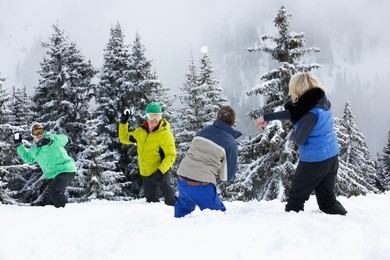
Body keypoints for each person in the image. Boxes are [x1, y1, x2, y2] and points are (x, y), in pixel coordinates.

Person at [256, 72, 347, 215]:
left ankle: (292, 232)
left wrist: (292, 133)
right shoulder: (320, 101)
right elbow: (294, 113)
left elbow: (299, 139)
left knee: (295, 200)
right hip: (331, 158)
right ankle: (345, 223)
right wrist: (266, 117)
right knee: (327, 201)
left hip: (315, 161)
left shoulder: (311, 113)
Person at [174, 105, 242, 218]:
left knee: (182, 216)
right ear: (233, 122)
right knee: (219, 217)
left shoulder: (202, 132)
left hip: (182, 180)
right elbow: (226, 177)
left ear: (217, 118)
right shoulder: (230, 143)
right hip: (201, 186)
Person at [118, 102, 177, 206]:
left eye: (157, 116)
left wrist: (160, 171)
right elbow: (124, 138)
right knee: (151, 201)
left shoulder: (165, 134)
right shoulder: (140, 132)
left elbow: (171, 155)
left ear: (161, 116)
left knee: (169, 198)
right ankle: (156, 220)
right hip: (147, 172)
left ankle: (180, 216)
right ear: (146, 116)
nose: (154, 119)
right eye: (151, 116)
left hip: (161, 170)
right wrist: (123, 123)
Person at [14, 122, 76, 208]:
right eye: (36, 132)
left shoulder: (51, 138)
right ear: (32, 135)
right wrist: (19, 145)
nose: (39, 134)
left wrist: (51, 140)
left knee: (55, 193)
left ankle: (70, 213)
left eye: (40, 131)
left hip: (65, 169)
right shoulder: (35, 149)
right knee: (50, 200)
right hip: (54, 174)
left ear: (44, 131)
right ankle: (57, 217)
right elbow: (28, 158)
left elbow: (64, 139)